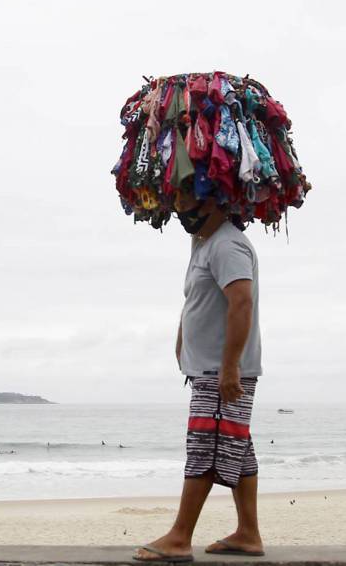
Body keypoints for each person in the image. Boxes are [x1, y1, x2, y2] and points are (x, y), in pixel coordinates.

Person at [134, 188, 264, 562]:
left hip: (221, 370)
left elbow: (242, 302)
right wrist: (181, 340)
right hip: (208, 367)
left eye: (188, 201)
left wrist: (229, 366)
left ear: (214, 201)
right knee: (237, 451)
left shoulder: (228, 245)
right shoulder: (202, 243)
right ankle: (248, 533)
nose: (180, 209)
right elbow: (195, 300)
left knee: (204, 449)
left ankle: (179, 537)